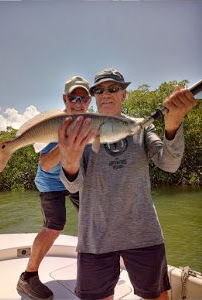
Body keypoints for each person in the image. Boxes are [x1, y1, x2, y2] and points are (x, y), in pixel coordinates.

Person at [58, 68, 197, 300]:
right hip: (95, 236)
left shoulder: (143, 127)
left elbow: (169, 164)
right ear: (93, 96)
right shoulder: (81, 129)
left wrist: (172, 124)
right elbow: (72, 187)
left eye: (114, 88)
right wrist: (69, 162)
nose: (106, 94)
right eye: (99, 90)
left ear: (125, 95)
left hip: (144, 233)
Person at [16, 76, 91, 300]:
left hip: (77, 179)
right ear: (65, 99)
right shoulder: (54, 123)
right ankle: (28, 277)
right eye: (73, 97)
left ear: (89, 101)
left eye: (83, 98)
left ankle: (94, 267)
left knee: (93, 220)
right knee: (54, 225)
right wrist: (65, 140)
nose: (78, 103)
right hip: (51, 181)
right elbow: (46, 163)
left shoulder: (92, 122)